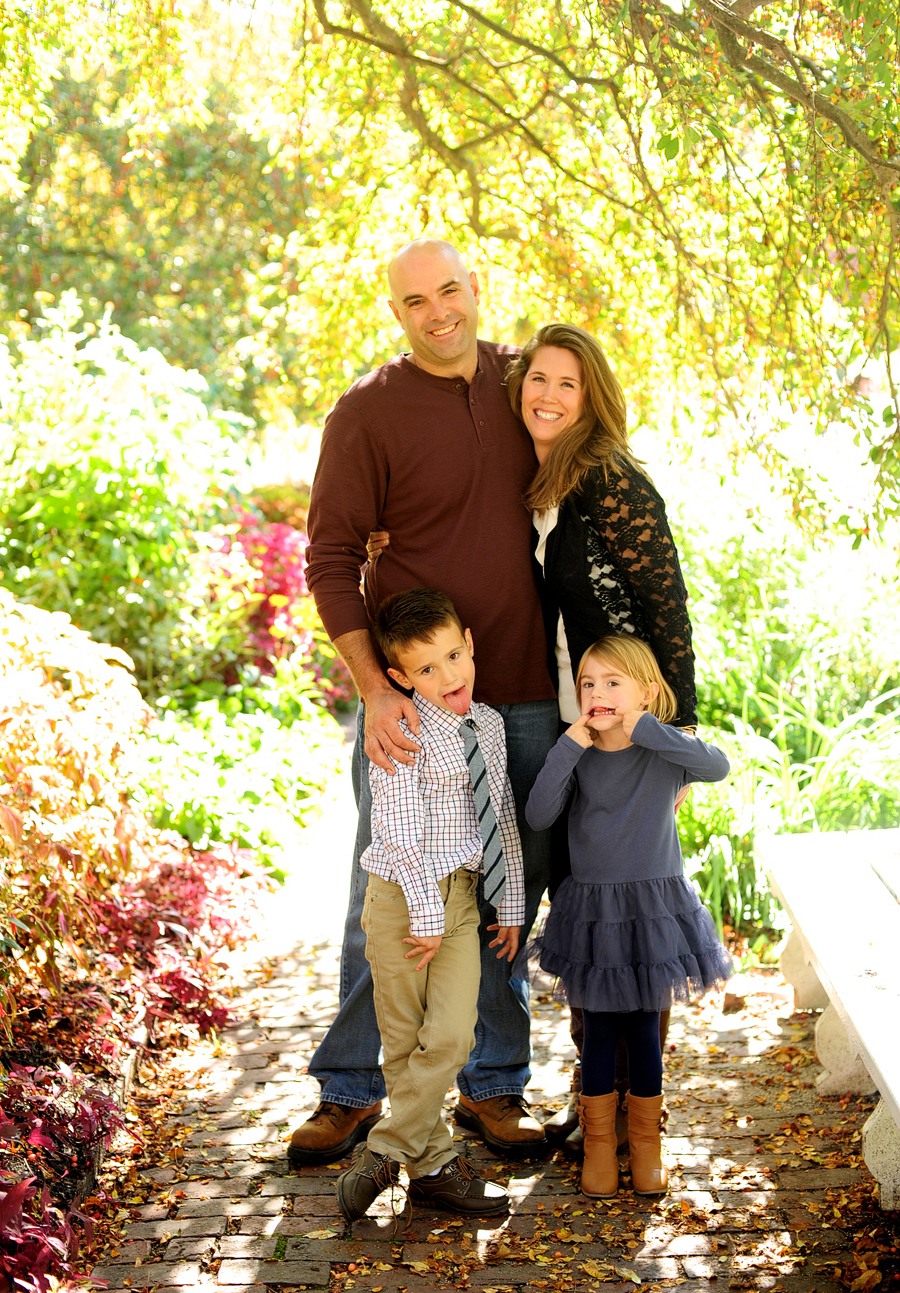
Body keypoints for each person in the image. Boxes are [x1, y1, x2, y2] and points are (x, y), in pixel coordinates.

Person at [291, 239, 558, 1167]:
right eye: (416, 300)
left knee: (498, 891)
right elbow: (327, 559)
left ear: (476, 287)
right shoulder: (365, 414)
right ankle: (353, 1089)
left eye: (450, 289)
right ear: (397, 314)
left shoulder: (526, 384)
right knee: (389, 889)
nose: (439, 310)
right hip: (410, 705)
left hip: (521, 687)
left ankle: (494, 1086)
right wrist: (375, 690)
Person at [504, 323, 698, 1150]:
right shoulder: (539, 482)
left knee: (629, 917)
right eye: (536, 379)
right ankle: (596, 1102)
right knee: (585, 911)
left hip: (628, 736)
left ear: (592, 399)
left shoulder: (612, 479)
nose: (546, 395)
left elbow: (668, 606)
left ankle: (635, 1110)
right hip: (569, 725)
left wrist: (675, 726)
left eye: (566, 384)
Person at [336, 588, 522, 1221]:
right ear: (398, 678)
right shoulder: (400, 726)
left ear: (469, 642)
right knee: (404, 1039)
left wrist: (514, 904)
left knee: (450, 1033)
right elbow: (396, 831)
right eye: (425, 669)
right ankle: (434, 1166)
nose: (448, 677)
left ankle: (386, 1148)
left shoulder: (490, 726)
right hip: (400, 903)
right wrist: (425, 914)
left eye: (452, 656)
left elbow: (500, 818)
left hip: (463, 900)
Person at [525, 634, 732, 1198]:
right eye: (588, 683)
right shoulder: (581, 752)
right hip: (594, 912)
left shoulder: (663, 751)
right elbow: (539, 813)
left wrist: (646, 727)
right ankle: (597, 1147)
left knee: (644, 1028)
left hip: (652, 912)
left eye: (612, 682)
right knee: (596, 1032)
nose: (596, 692)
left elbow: (719, 766)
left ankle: (646, 1148)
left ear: (643, 691)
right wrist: (568, 745)